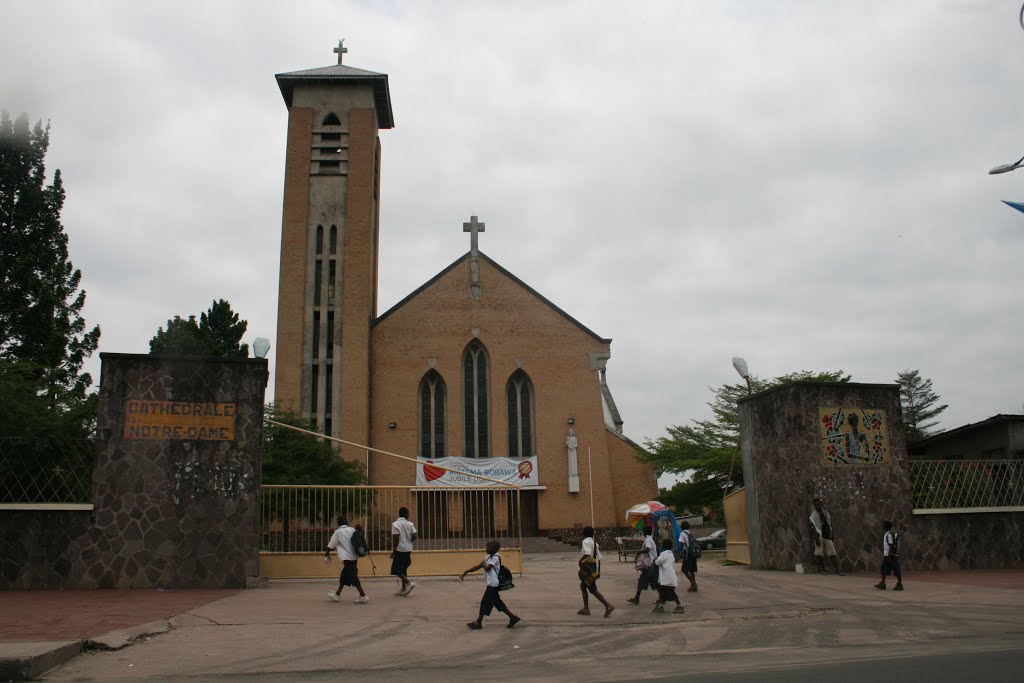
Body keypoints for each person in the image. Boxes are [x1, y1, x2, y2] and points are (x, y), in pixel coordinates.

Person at [460, 540, 521, 630]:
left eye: (488, 547)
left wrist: (483, 564)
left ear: (494, 549)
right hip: (491, 584)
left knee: (485, 602)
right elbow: (479, 566)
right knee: (497, 603)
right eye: (486, 546)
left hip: (493, 584)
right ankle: (513, 617)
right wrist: (467, 571)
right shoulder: (488, 557)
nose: (486, 548)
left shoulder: (496, 557)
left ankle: (478, 622)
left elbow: (488, 568)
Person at [324, 515, 369, 603]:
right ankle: (337, 594)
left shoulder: (338, 532)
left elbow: (331, 545)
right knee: (344, 575)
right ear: (346, 522)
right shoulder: (352, 530)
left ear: (338, 523)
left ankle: (363, 595)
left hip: (346, 558)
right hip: (354, 557)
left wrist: (326, 554)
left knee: (353, 576)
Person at [577, 526, 614, 618]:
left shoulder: (585, 542)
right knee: (587, 587)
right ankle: (587, 608)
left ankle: (607, 605)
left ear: (584, 534)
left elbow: (587, 553)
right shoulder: (594, 543)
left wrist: (580, 561)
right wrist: (598, 573)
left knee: (590, 589)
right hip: (593, 570)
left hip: (588, 570)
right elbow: (599, 558)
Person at [809, 497, 844, 576]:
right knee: (819, 554)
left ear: (821, 504)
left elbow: (830, 524)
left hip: (827, 536)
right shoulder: (813, 515)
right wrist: (816, 537)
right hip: (819, 536)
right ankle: (821, 569)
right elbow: (812, 527)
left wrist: (832, 533)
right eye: (815, 505)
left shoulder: (826, 513)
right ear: (814, 506)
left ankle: (837, 570)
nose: (817, 506)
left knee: (833, 553)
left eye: (818, 504)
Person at [627, 525, 658, 604]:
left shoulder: (648, 540)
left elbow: (647, 550)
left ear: (644, 532)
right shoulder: (650, 539)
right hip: (651, 564)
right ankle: (637, 598)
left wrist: (638, 552)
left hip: (649, 565)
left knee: (648, 582)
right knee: (652, 582)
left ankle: (637, 598)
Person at [390, 506, 418, 596]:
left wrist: (393, 551)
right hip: (408, 549)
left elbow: (396, 538)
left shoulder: (395, 524)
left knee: (395, 569)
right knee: (403, 569)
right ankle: (403, 588)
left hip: (399, 549)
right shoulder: (410, 524)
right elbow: (414, 536)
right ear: (406, 514)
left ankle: (408, 583)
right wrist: (408, 541)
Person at [653, 538, 684, 613]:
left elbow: (657, 562)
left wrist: (655, 559)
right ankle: (660, 606)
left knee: (671, 593)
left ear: (663, 546)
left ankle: (679, 605)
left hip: (666, 578)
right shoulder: (670, 554)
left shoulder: (664, 554)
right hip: (669, 577)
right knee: (662, 592)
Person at [875, 520, 904, 591]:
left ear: (885, 527)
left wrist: (888, 555)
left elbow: (891, 545)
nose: (882, 526)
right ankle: (882, 583)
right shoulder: (886, 534)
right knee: (883, 568)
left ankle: (900, 584)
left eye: (883, 525)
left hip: (890, 556)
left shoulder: (889, 535)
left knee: (896, 569)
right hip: (887, 555)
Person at [678, 520, 699, 592]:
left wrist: (679, 553)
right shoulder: (690, 533)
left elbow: (681, 544)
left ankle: (694, 584)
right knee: (691, 570)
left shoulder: (682, 534)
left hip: (688, 555)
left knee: (684, 570)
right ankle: (693, 585)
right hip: (693, 554)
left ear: (681, 527)